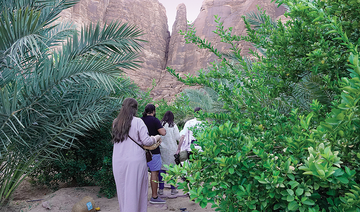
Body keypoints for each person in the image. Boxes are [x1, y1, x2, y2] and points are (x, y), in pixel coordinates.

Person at [112, 98, 162, 212]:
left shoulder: (116, 122)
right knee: (135, 190)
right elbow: (147, 141)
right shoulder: (138, 121)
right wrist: (156, 137)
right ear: (135, 109)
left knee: (123, 190)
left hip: (118, 160)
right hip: (135, 161)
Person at [141, 104, 167, 204]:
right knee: (154, 173)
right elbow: (163, 132)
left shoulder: (140, 120)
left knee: (141, 174)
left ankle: (140, 197)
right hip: (153, 151)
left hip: (141, 151)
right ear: (154, 111)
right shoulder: (155, 120)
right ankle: (154, 197)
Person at [158, 111, 180, 196]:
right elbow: (178, 137)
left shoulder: (160, 124)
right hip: (172, 150)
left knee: (162, 169)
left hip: (162, 150)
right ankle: (173, 189)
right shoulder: (173, 125)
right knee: (172, 170)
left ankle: (160, 189)